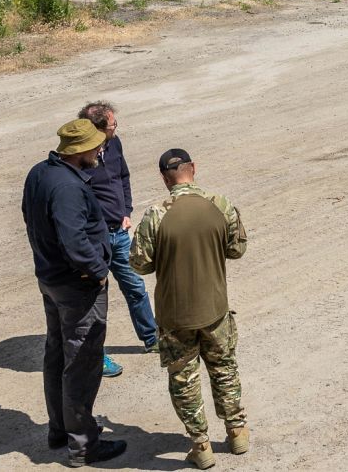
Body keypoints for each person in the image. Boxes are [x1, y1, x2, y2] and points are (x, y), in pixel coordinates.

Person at [130, 150, 249, 471]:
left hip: (174, 316)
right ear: (193, 169)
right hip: (216, 309)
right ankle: (237, 433)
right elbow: (237, 249)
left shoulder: (155, 215)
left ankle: (201, 446)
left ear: (164, 178)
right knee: (224, 369)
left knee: (184, 380)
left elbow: (139, 263)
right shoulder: (220, 204)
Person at [21, 119, 127, 467]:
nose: (101, 149)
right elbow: (75, 241)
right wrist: (97, 273)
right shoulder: (67, 188)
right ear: (78, 151)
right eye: (96, 146)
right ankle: (84, 446)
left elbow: (30, 218)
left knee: (56, 355)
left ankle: (59, 429)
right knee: (81, 363)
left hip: (50, 280)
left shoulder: (40, 172)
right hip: (75, 287)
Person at [78, 101, 158, 381]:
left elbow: (123, 177)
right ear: (96, 129)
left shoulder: (114, 144)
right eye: (112, 125)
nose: (116, 129)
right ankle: (94, 357)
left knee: (135, 286)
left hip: (119, 232)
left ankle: (152, 338)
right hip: (93, 241)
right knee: (92, 301)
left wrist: (126, 211)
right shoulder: (80, 155)